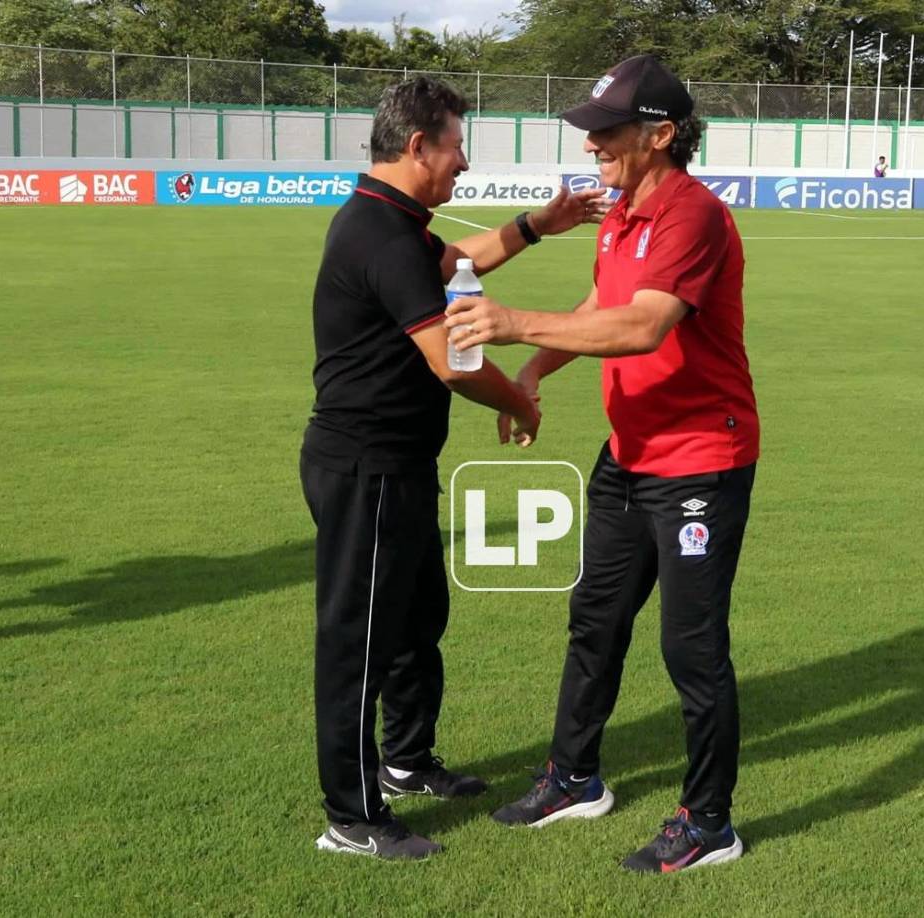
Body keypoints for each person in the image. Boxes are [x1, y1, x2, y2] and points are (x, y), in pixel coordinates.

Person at [445, 54, 760, 874]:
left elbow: (642, 326)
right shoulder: (621, 214)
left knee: (691, 649)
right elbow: (599, 307)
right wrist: (532, 371)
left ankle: (708, 824)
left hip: (699, 462)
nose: (591, 146)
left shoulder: (692, 215)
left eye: (607, 131)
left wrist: (511, 323)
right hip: (628, 456)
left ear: (660, 134)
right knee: (594, 619)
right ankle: (573, 778)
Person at [301, 76, 607, 862]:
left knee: (413, 623)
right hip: (364, 468)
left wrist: (536, 226)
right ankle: (351, 817)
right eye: (455, 146)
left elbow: (457, 261)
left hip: (396, 465)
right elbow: (452, 361)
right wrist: (522, 401)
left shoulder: (395, 224)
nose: (463, 163)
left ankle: (405, 761)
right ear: (417, 146)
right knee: (359, 640)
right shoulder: (379, 234)